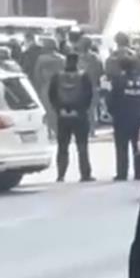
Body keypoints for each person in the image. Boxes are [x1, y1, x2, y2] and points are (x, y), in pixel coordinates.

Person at [49, 53, 95, 182]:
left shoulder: (57, 76)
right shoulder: (84, 76)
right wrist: (81, 110)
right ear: (77, 62)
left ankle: (61, 174)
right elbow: (89, 95)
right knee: (82, 146)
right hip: (79, 116)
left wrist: (59, 110)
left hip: (63, 116)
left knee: (62, 147)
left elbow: (51, 95)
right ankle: (85, 174)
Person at [109, 56, 140, 181]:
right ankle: (139, 172)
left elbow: (111, 99)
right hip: (139, 117)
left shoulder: (117, 81)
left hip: (122, 118)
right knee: (137, 147)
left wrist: (113, 113)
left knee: (121, 148)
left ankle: (122, 173)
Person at [32, 38, 66, 138]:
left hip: (47, 87)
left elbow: (37, 75)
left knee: (48, 111)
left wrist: (38, 88)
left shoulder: (41, 59)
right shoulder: (62, 58)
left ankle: (52, 132)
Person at [76, 36, 104, 131]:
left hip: (81, 87)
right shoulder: (96, 57)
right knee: (91, 109)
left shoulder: (77, 58)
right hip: (93, 86)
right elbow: (101, 71)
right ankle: (91, 129)